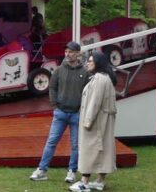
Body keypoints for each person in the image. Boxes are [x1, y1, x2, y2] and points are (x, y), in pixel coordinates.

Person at [30, 41, 87, 183]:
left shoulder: (84, 72)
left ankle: (71, 172)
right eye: (66, 51)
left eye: (71, 52)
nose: (68, 54)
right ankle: (42, 170)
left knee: (75, 145)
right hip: (60, 112)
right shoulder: (59, 70)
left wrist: (82, 108)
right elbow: (52, 87)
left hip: (76, 114)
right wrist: (54, 105)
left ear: (78, 53)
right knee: (51, 142)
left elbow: (88, 92)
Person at [70, 52, 118, 192]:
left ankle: (84, 182)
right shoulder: (104, 78)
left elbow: (94, 102)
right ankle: (99, 181)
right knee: (103, 150)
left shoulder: (99, 79)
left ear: (98, 63)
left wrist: (88, 121)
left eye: (91, 61)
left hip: (96, 122)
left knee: (89, 150)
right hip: (102, 121)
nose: (88, 63)